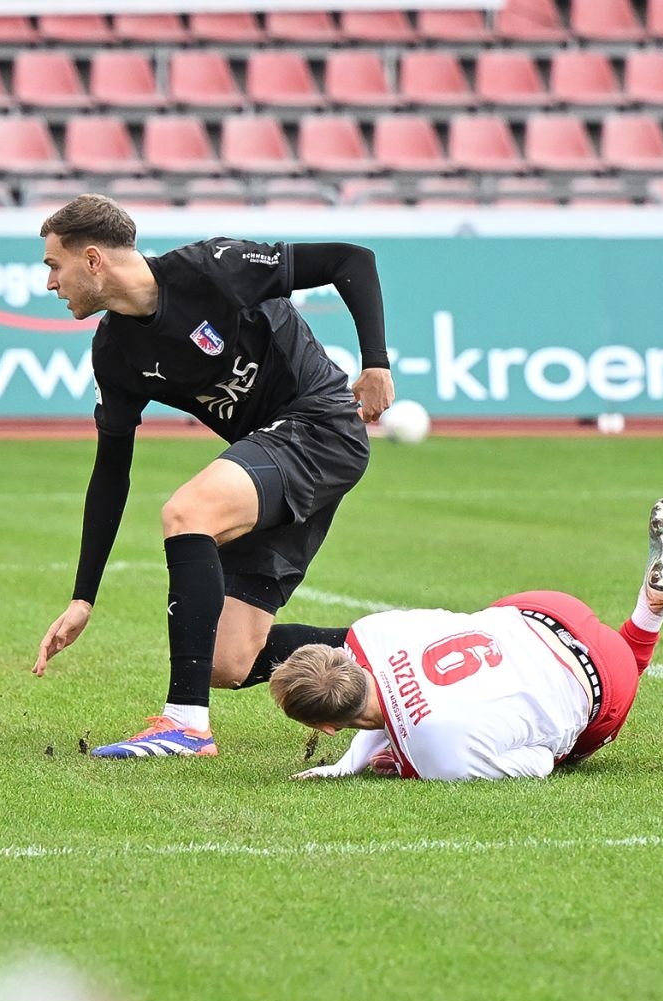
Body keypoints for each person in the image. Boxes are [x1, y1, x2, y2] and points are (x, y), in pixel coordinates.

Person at [29, 194, 396, 761]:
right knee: (229, 660)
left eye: (55, 265)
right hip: (276, 452)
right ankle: (406, 646)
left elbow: (352, 259)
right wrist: (84, 597)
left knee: (189, 512)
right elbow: (110, 474)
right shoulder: (115, 352)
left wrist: (375, 363)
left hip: (320, 426)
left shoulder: (212, 268)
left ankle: (185, 725)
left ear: (94, 259)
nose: (51, 282)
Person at [271, 498, 663, 781]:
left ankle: (650, 613)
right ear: (343, 658)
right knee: (484, 624)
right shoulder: (371, 633)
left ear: (325, 727)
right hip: (544, 609)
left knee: (575, 734)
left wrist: (403, 759)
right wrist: (357, 760)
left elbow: (540, 762)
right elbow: (390, 696)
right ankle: (648, 610)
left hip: (602, 680)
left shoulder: (437, 759)